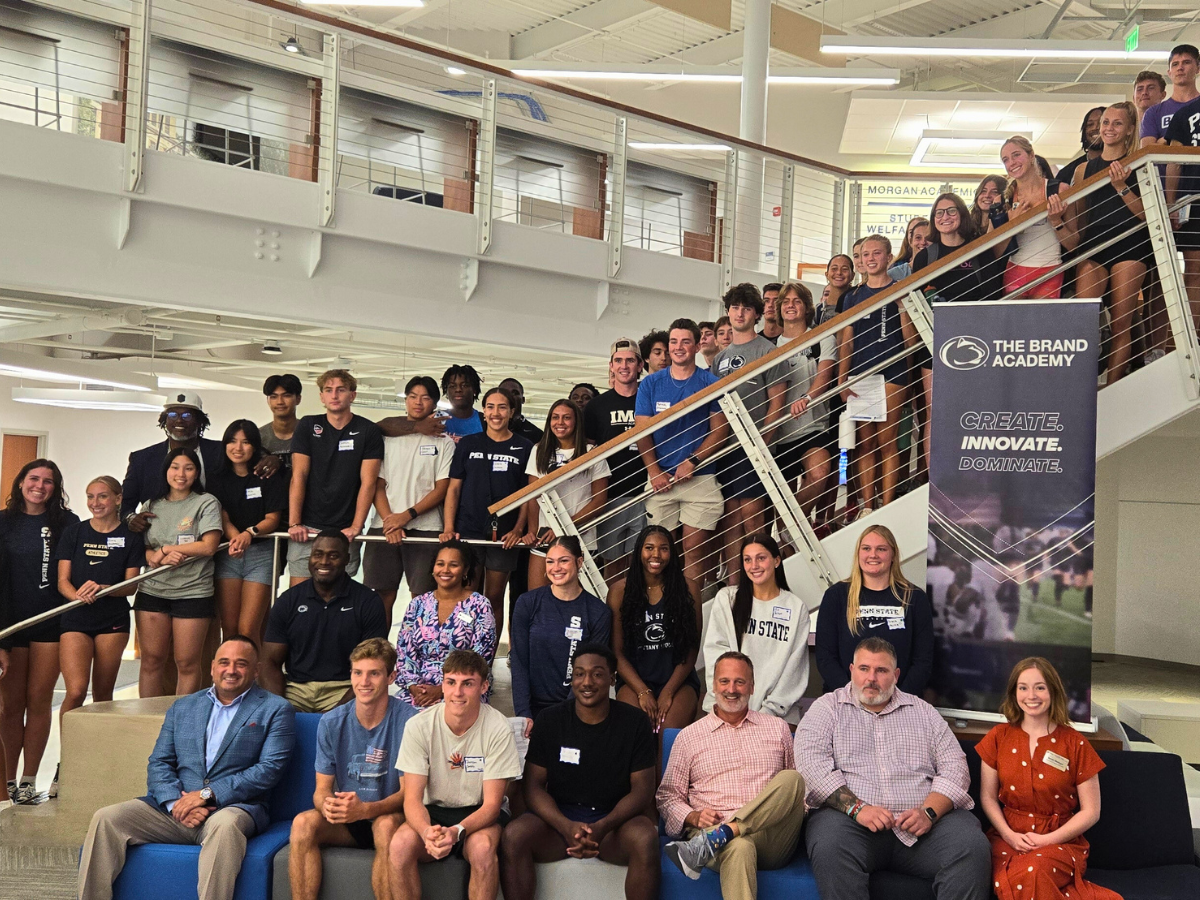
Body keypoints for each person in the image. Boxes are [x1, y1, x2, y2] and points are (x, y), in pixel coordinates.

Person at [77, 636, 295, 900]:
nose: (231, 670)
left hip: (233, 808)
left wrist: (205, 795)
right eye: (224, 662)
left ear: (256, 670)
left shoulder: (275, 709)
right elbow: (159, 762)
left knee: (225, 827)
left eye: (241, 664)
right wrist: (174, 804)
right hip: (176, 810)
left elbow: (269, 769)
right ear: (213, 667)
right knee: (106, 818)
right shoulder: (183, 706)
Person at [797, 637, 990, 900]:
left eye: (882, 670)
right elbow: (811, 765)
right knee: (830, 843)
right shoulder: (827, 708)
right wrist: (858, 809)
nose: (871, 678)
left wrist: (928, 812)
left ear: (896, 675)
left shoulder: (923, 712)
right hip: (852, 824)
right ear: (852, 670)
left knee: (971, 846)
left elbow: (956, 767)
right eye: (864, 669)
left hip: (922, 827)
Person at [500, 643, 660, 900]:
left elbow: (642, 790)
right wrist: (565, 826)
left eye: (597, 674)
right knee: (514, 836)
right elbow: (533, 787)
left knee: (645, 838)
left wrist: (603, 826)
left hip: (614, 825)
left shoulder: (634, 722)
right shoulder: (550, 720)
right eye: (579, 673)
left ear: (612, 678)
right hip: (558, 822)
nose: (587, 682)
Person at [656, 652, 806, 895]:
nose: (732, 689)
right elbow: (667, 797)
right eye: (724, 681)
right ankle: (723, 836)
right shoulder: (689, 737)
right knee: (740, 847)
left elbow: (798, 795)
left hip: (771, 838)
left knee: (794, 779)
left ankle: (723, 834)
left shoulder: (777, 728)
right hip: (712, 831)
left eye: (740, 681)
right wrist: (693, 817)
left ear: (752, 686)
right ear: (713, 685)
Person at [978, 658, 1119, 900]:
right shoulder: (997, 737)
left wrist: (1047, 840)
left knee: (1035, 871)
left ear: (1053, 691)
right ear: (1014, 693)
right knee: (1010, 874)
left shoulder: (1075, 743)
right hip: (1007, 836)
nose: (1031, 695)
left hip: (1060, 840)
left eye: (1040, 687)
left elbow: (1091, 812)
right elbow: (988, 797)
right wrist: (1009, 835)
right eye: (1023, 687)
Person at [289, 638, 414, 900]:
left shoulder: (410, 721)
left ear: (391, 677)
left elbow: (410, 796)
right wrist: (329, 806)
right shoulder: (331, 721)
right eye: (358, 673)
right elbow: (320, 791)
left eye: (374, 674)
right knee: (303, 823)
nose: (364, 682)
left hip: (392, 815)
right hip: (350, 820)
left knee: (384, 827)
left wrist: (366, 809)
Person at [388, 650, 519, 900]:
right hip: (434, 811)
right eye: (451, 682)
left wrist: (456, 831)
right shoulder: (418, 726)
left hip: (479, 812)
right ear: (443, 684)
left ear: (484, 687)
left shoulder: (499, 728)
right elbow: (412, 799)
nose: (457, 692)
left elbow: (492, 805)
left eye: (467, 684)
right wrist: (427, 832)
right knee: (399, 845)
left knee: (482, 850)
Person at [54, 476, 144, 797]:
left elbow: (132, 586)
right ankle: (66, 763)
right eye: (90, 496)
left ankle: (100, 761)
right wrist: (77, 594)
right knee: (76, 691)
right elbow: (62, 581)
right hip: (76, 616)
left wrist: (104, 589)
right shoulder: (75, 532)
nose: (95, 503)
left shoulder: (131, 537)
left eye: (103, 496)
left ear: (118, 499)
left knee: (103, 693)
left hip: (112, 619)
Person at [0, 459, 78, 804]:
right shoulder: (3, 523)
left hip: (50, 623)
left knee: (39, 701)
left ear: (55, 489)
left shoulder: (67, 523)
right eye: (34, 478)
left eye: (48, 481)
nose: (40, 486)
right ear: (21, 483)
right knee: (11, 707)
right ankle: (7, 781)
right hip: (10, 627)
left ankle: (30, 781)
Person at [635, 318, 728, 593]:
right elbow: (642, 431)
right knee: (655, 557)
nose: (678, 347)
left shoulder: (710, 382)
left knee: (694, 553)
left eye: (685, 341)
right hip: (659, 478)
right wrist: (653, 471)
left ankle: (689, 618)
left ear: (698, 345)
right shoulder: (650, 383)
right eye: (673, 342)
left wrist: (692, 461)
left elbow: (720, 431)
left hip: (699, 478)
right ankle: (657, 611)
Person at [1060, 101, 1148, 384]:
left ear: (1129, 129)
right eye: (1106, 122)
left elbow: (1148, 214)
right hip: (1095, 244)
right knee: (1083, 322)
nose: (1109, 128)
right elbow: (1080, 218)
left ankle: (1111, 389)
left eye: (1117, 123)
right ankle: (1082, 386)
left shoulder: (1140, 162)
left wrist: (1121, 187)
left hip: (1130, 242)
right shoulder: (1083, 170)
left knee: (1122, 323)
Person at [441, 386, 534, 644]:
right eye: (490, 407)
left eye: (502, 407)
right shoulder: (469, 444)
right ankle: (463, 652)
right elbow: (454, 488)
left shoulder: (524, 446)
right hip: (468, 530)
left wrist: (519, 529)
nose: (496, 413)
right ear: (483, 411)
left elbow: (528, 494)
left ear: (512, 412)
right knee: (468, 595)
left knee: (494, 597)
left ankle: (487, 658)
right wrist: (449, 527)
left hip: (504, 535)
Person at [363, 375, 455, 628]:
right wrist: (390, 522)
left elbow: (441, 488)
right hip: (384, 528)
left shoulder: (445, 443)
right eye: (412, 396)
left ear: (435, 402)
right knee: (380, 595)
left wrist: (407, 516)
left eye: (425, 397)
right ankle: (377, 655)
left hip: (426, 530)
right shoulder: (385, 439)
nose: (418, 402)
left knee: (423, 598)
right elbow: (376, 485)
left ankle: (417, 656)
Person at [711, 284, 787, 587]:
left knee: (754, 516)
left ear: (756, 314)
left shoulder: (767, 351)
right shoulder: (720, 358)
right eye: (734, 307)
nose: (739, 313)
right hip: (725, 449)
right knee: (730, 517)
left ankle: (763, 583)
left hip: (754, 446)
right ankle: (733, 585)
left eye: (746, 308)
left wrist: (763, 444)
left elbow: (777, 400)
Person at [262, 530, 388, 713]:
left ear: (347, 559)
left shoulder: (368, 601)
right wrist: (279, 709)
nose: (323, 562)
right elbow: (269, 662)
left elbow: (375, 664)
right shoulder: (288, 600)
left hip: (345, 687)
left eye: (333, 556)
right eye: (318, 554)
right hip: (296, 689)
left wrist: (337, 713)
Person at [135, 448, 222, 698]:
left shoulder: (206, 502)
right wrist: (158, 557)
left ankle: (183, 722)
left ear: (197, 473)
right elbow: (144, 551)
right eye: (175, 467)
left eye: (188, 468)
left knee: (187, 663)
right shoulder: (150, 505)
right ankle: (147, 722)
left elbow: (208, 546)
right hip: (153, 590)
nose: (180, 474)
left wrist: (169, 549)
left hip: (193, 591)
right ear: (166, 471)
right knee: (151, 660)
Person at [838, 234, 916, 512]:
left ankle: (888, 504)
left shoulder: (902, 288)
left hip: (893, 372)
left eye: (876, 253)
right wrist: (841, 379)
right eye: (865, 254)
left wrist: (903, 308)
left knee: (887, 440)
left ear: (888, 257)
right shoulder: (853, 296)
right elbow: (846, 340)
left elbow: (911, 343)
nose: (870, 259)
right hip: (861, 373)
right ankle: (868, 507)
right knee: (866, 442)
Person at [288, 369, 384, 585]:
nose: (334, 395)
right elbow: (299, 476)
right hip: (307, 528)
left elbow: (368, 483)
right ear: (321, 396)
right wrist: (295, 523)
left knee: (339, 599)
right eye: (328, 390)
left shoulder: (367, 430)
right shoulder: (308, 425)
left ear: (352, 395)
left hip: (345, 529)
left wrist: (357, 526)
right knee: (301, 596)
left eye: (340, 390)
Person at [702, 534, 810, 724]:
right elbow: (714, 653)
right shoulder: (727, 599)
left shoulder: (795, 606)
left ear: (776, 560)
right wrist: (726, 703)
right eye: (747, 560)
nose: (754, 566)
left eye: (761, 558)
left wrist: (767, 713)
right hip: (726, 707)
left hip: (777, 715)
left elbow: (795, 668)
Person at [815, 525, 933, 695]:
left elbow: (923, 660)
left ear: (893, 555)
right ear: (858, 554)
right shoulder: (836, 596)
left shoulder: (914, 597)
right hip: (845, 700)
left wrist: (896, 700)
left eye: (881, 549)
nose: (873, 555)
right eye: (866, 548)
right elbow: (826, 658)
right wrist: (853, 696)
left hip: (900, 702)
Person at [511, 536, 611, 733]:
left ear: (579, 562)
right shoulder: (527, 603)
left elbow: (593, 671)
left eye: (563, 560)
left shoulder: (598, 611)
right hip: (533, 710)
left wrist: (567, 713)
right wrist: (523, 712)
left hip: (578, 709)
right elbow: (519, 660)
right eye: (550, 561)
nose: (556, 568)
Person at [608, 526, 701, 732]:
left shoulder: (689, 589)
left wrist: (668, 691)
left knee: (666, 729)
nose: (656, 555)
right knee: (637, 729)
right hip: (634, 683)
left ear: (672, 553)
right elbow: (616, 652)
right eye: (649, 548)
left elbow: (691, 649)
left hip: (678, 681)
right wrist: (642, 691)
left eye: (664, 548)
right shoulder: (618, 591)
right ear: (639, 551)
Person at [208, 420, 286, 642]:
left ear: (255, 446)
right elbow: (220, 515)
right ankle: (230, 676)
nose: (238, 448)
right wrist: (236, 539)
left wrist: (248, 534)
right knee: (230, 628)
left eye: (245, 442)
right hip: (228, 552)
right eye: (232, 441)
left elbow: (273, 518)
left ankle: (254, 678)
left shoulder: (268, 474)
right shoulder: (217, 477)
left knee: (249, 628)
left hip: (261, 554)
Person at [394, 541, 497, 707]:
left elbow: (482, 656)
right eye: (440, 564)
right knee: (398, 719)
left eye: (453, 565)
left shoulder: (479, 605)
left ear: (465, 570)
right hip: (418, 689)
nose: (445, 570)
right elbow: (404, 651)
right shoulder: (418, 604)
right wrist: (413, 687)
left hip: (463, 687)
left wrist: (443, 688)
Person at [523, 399, 609, 589]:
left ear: (577, 421)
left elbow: (600, 500)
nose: (560, 422)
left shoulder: (592, 452)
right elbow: (533, 496)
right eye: (555, 417)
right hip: (545, 537)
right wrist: (532, 530)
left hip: (581, 538)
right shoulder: (538, 450)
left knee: (577, 603)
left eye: (566, 418)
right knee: (538, 601)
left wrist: (565, 527)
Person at [584, 338, 647, 582]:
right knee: (613, 567)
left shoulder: (648, 399)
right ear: (611, 366)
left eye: (630, 360)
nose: (624, 366)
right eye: (618, 361)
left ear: (640, 365)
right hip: (611, 494)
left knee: (642, 566)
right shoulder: (596, 406)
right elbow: (588, 451)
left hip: (647, 491)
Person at [775, 280, 835, 523]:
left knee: (820, 472)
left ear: (807, 307)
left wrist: (808, 398)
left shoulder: (821, 337)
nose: (791, 306)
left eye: (797, 301)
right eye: (786, 302)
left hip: (813, 426)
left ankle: (792, 526)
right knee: (780, 500)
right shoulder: (770, 347)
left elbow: (825, 374)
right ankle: (788, 544)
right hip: (778, 435)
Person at [121, 393, 225, 531]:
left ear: (199, 421)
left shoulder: (221, 452)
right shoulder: (142, 459)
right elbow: (125, 505)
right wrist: (131, 518)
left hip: (219, 538)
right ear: (164, 420)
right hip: (158, 541)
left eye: (187, 415)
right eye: (172, 415)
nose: (179, 421)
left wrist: (264, 459)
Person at [992, 136, 1068, 299]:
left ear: (1031, 155)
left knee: (1042, 324)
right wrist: (1012, 225)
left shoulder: (1059, 190)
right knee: (1015, 324)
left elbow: (1074, 243)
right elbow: (994, 251)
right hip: (1015, 270)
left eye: (1016, 155)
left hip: (1050, 270)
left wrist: (1056, 221)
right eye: (1005, 160)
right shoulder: (1002, 200)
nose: (1011, 162)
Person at [1164, 90, 1200, 325]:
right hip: (1193, 200)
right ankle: (1194, 339)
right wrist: (1170, 204)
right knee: (1195, 269)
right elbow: (1173, 160)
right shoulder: (1185, 113)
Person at [1140, 44, 1199, 149]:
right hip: (1165, 165)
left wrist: (1163, 141)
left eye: (1186, 62)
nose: (1180, 68)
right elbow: (1146, 150)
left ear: (1198, 69)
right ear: (1169, 72)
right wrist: (1175, 139)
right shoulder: (1153, 112)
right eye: (1175, 64)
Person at [260, 374, 303, 474]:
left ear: (298, 399)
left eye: (286, 395)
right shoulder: (258, 437)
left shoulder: (310, 434)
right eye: (274, 397)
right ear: (268, 401)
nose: (280, 402)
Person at [1057, 107, 1105, 188]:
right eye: (1090, 124)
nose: (1095, 127)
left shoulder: (1125, 162)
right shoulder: (1067, 172)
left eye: (1102, 123)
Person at [437, 365, 485, 443]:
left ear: (474, 390)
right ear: (446, 391)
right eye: (452, 386)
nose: (458, 390)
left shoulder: (484, 421)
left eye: (464, 385)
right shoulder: (437, 417)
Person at [498, 377, 544, 444]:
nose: (510, 396)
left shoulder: (536, 435)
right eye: (505, 393)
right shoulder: (485, 427)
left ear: (523, 400)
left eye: (515, 393)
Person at [888, 217, 930, 282]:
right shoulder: (893, 274)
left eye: (928, 238)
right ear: (910, 240)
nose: (923, 242)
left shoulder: (943, 267)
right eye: (918, 237)